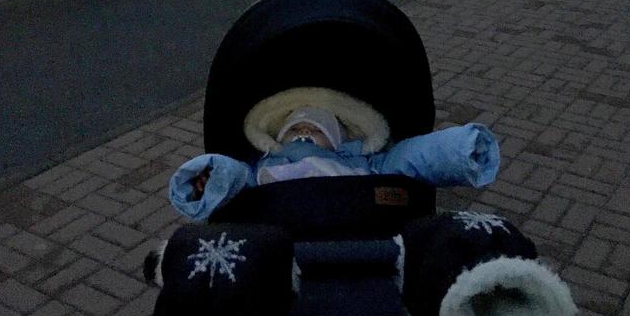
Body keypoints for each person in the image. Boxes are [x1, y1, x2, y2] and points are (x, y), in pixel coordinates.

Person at [169, 100, 500, 222]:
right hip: (280, 239)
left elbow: (412, 158)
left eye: (315, 128)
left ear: (339, 141)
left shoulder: (363, 163)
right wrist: (211, 176)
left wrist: (458, 148)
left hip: (356, 233)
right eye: (295, 128)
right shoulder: (264, 166)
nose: (303, 132)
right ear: (278, 139)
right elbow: (237, 176)